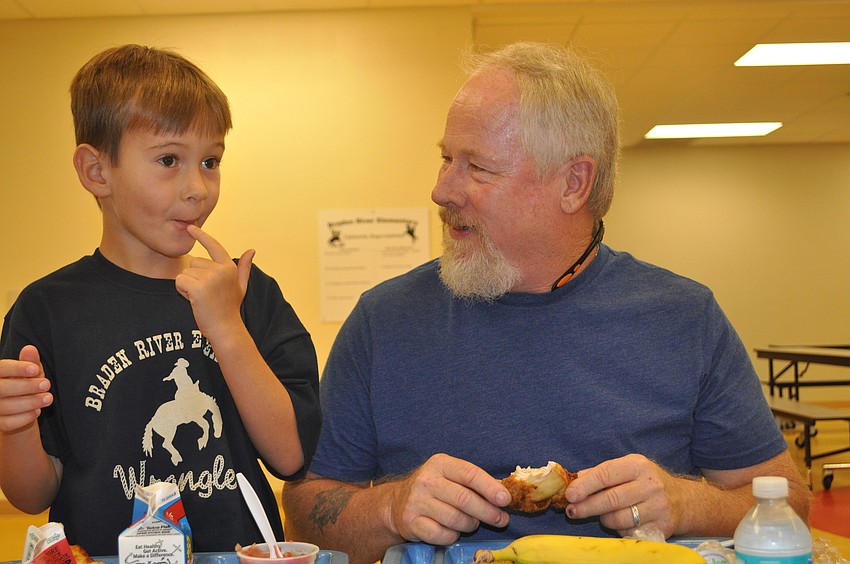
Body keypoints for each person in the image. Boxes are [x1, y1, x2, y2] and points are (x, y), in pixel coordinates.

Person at [281, 42, 809, 564]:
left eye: (477, 167)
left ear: (574, 184)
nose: (442, 191)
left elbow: (790, 506)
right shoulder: (383, 321)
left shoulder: (684, 318)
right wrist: (390, 509)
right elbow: (304, 517)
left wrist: (686, 502)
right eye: (446, 159)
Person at [0, 45, 321, 553]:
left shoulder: (247, 291)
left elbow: (290, 455)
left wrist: (227, 326)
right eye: (169, 160)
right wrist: (13, 426)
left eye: (210, 161)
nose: (198, 188)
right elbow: (32, 494)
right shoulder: (47, 309)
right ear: (96, 171)